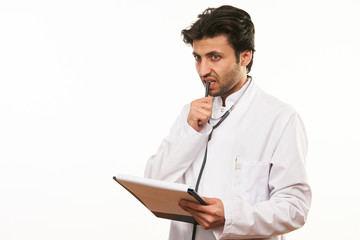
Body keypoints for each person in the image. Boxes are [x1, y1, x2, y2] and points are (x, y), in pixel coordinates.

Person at [144, 5, 311, 240]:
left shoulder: (281, 118)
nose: (203, 70)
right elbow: (153, 183)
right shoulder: (190, 114)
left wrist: (230, 215)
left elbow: (295, 208)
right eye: (198, 58)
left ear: (245, 56)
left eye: (215, 57)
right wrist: (189, 131)